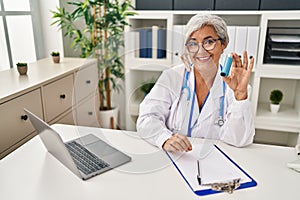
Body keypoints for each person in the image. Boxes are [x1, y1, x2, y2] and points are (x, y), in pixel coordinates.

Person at [136, 14, 255, 152]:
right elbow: (147, 118)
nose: (201, 50)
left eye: (209, 42)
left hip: (216, 162)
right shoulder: (172, 77)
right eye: (193, 43)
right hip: (176, 159)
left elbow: (240, 140)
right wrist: (164, 138)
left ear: (223, 45)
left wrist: (240, 96)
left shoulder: (236, 88)